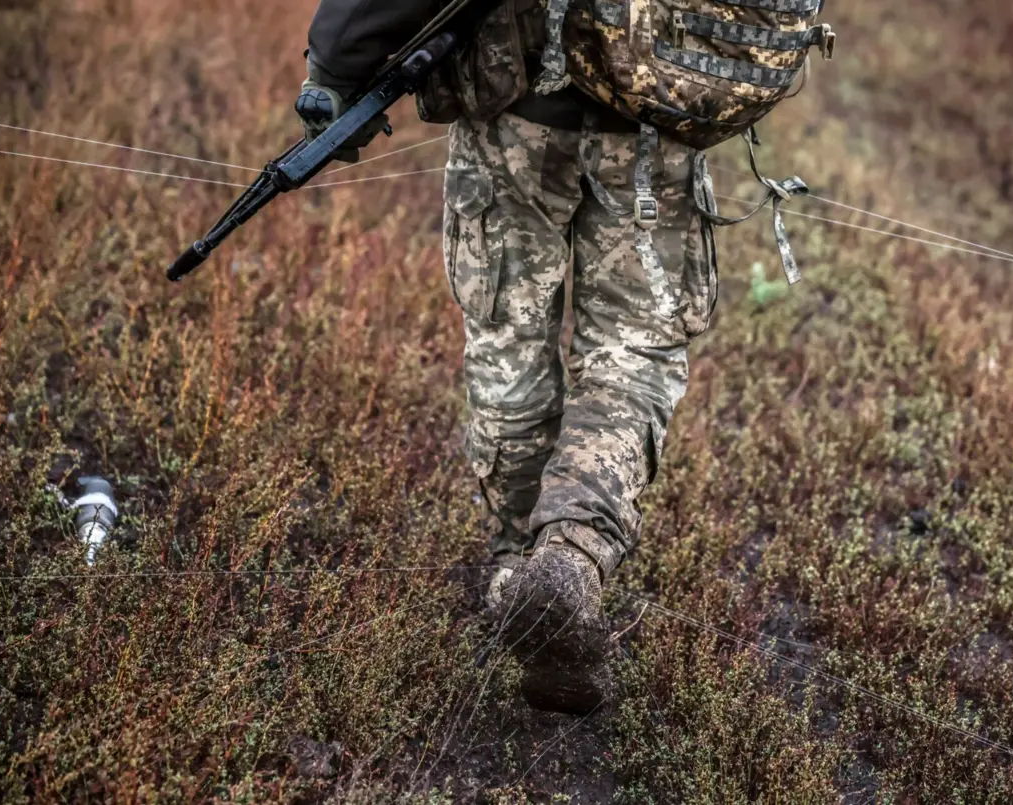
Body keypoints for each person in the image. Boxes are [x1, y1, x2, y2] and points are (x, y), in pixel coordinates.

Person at [297, 0, 824, 716]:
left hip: (515, 116)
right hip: (654, 118)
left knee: (508, 338)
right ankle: (573, 551)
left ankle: (520, 568)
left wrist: (337, 64)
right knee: (632, 351)